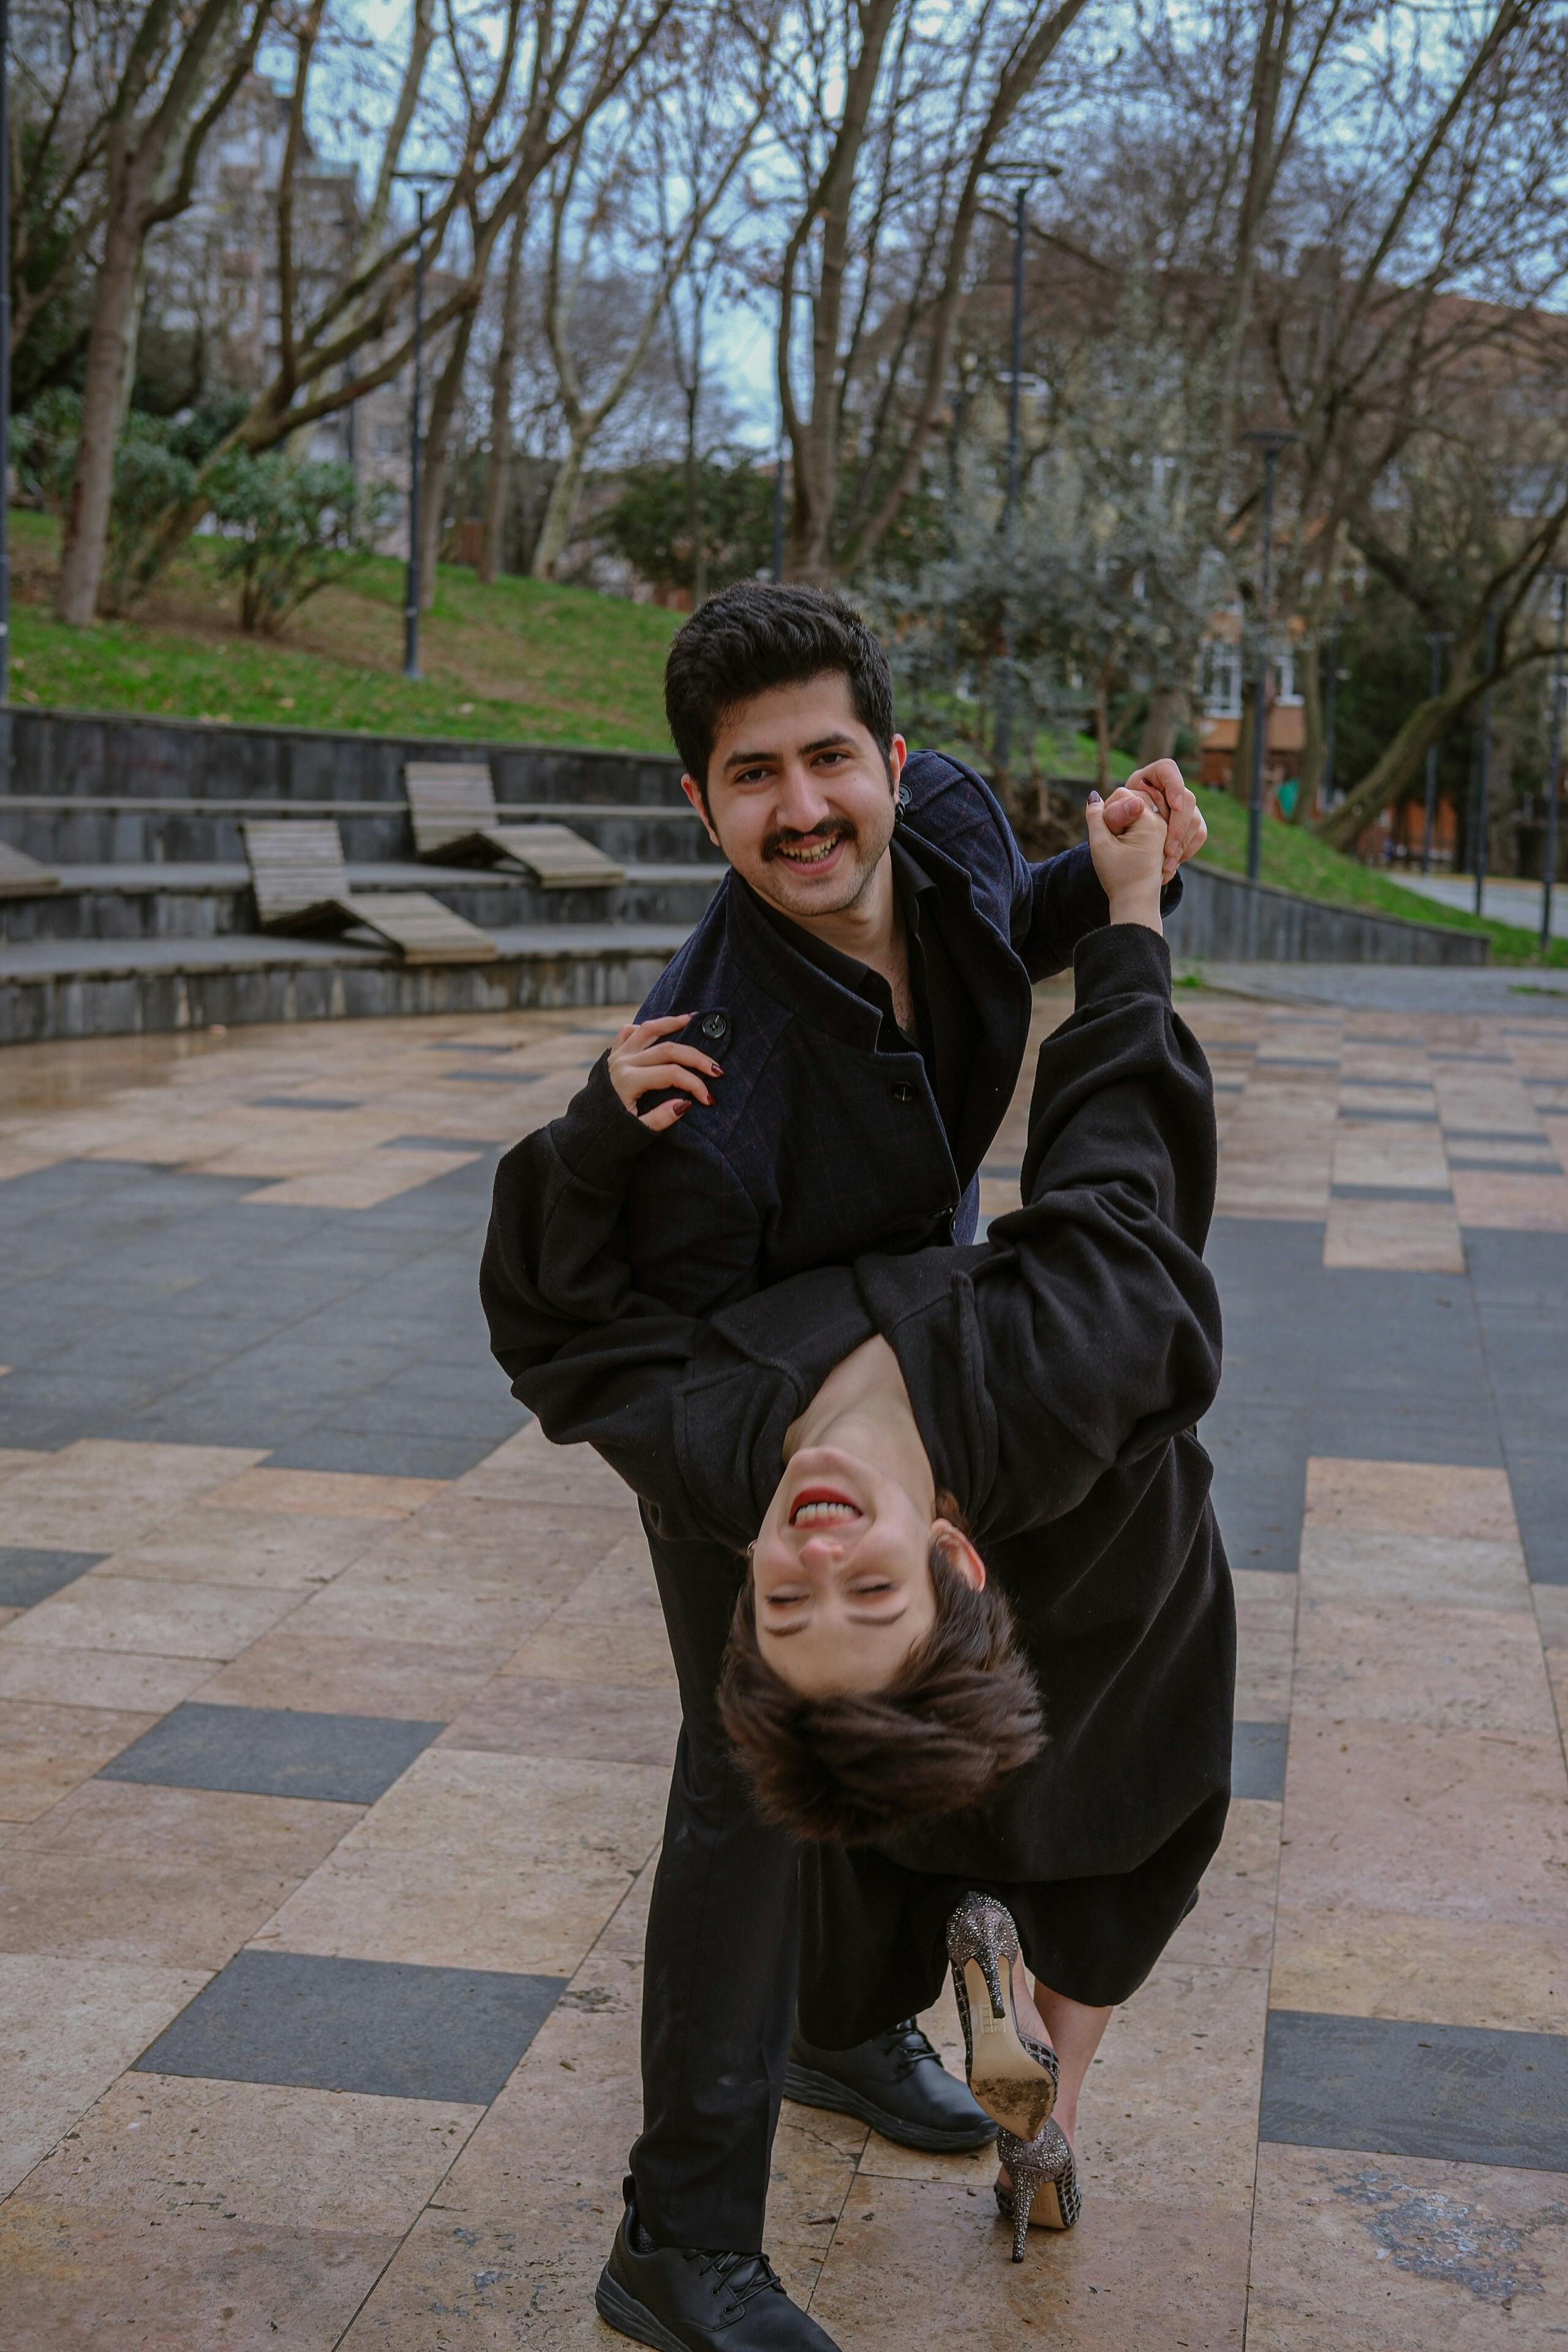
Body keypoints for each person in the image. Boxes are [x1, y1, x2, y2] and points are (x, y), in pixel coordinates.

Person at [483, 582, 1209, 2352]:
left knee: (931, 1656)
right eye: (753, 780)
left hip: (918, 1326)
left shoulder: (947, 818)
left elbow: (987, 937)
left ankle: (836, 2025)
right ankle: (680, 2239)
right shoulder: (703, 1091)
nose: (803, 810)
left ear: (890, 759)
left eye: (830, 760)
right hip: (737, 1405)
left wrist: (1119, 885)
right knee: (750, 1777)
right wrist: (587, 1142)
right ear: (700, 807)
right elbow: (588, 1338)